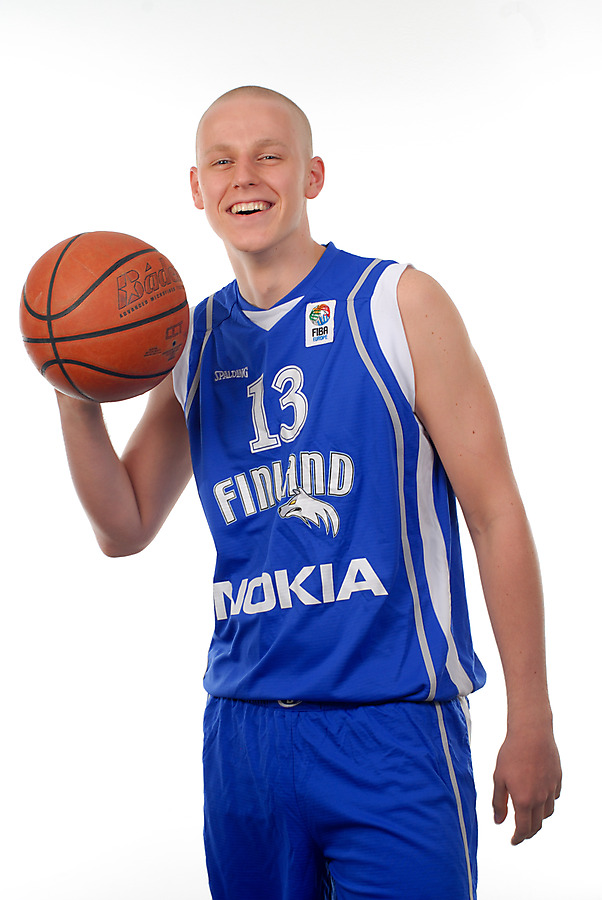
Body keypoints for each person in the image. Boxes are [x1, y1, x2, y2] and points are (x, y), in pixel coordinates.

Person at [55, 86, 561, 899]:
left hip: (391, 726)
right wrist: (72, 388)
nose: (244, 178)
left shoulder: (396, 302)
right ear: (196, 187)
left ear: (312, 175)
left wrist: (530, 716)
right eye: (222, 161)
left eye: (270, 156)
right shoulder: (192, 343)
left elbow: (495, 513)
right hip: (245, 732)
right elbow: (125, 525)